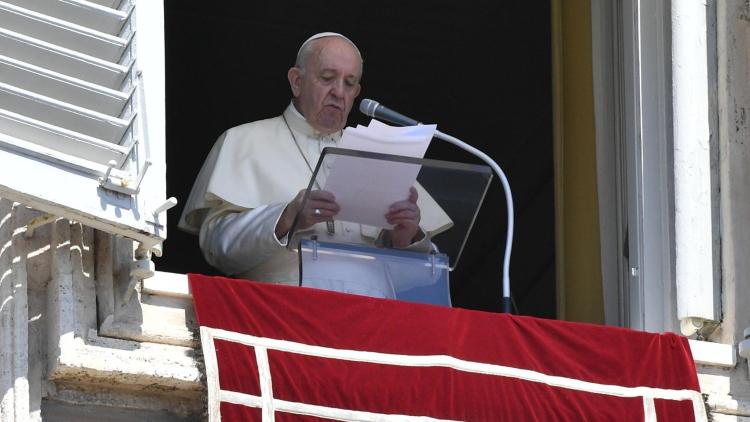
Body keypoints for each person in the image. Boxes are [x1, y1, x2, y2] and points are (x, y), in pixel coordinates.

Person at [178, 32, 451, 291]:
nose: (338, 92)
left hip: (373, 319)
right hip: (282, 313)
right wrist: (285, 217)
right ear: (297, 81)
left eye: (349, 83)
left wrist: (407, 238)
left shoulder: (382, 154)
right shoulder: (243, 140)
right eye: (328, 78)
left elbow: (419, 280)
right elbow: (216, 249)